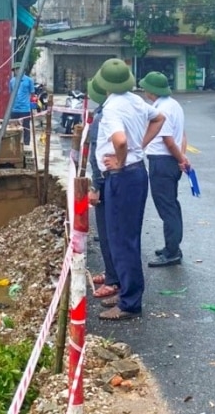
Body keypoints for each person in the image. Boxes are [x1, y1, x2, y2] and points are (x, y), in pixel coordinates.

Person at [94, 58, 165, 321]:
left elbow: (120, 140)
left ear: (103, 84)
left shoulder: (112, 108)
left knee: (121, 240)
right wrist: (140, 146)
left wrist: (122, 157)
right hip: (136, 173)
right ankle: (126, 291)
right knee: (126, 237)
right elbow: (159, 118)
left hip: (122, 176)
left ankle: (130, 302)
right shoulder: (136, 100)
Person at [139, 71, 190, 267]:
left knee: (166, 207)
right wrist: (182, 157)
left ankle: (172, 252)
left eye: (146, 89)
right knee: (172, 205)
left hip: (162, 161)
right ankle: (172, 246)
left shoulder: (163, 109)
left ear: (152, 91)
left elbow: (168, 140)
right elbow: (182, 134)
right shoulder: (173, 104)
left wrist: (179, 158)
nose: (144, 92)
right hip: (170, 161)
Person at [86, 77, 119, 299]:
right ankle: (110, 272)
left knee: (108, 232)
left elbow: (98, 153)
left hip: (106, 179)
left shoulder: (103, 115)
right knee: (109, 231)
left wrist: (95, 186)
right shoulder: (105, 111)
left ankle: (113, 279)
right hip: (111, 177)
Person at [9, 62, 35, 146]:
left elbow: (32, 93)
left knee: (26, 128)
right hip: (14, 109)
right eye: (16, 70)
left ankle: (26, 144)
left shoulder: (29, 80)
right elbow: (11, 93)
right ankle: (15, 145)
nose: (17, 71)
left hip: (25, 109)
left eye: (19, 69)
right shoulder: (12, 81)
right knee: (14, 128)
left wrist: (29, 103)